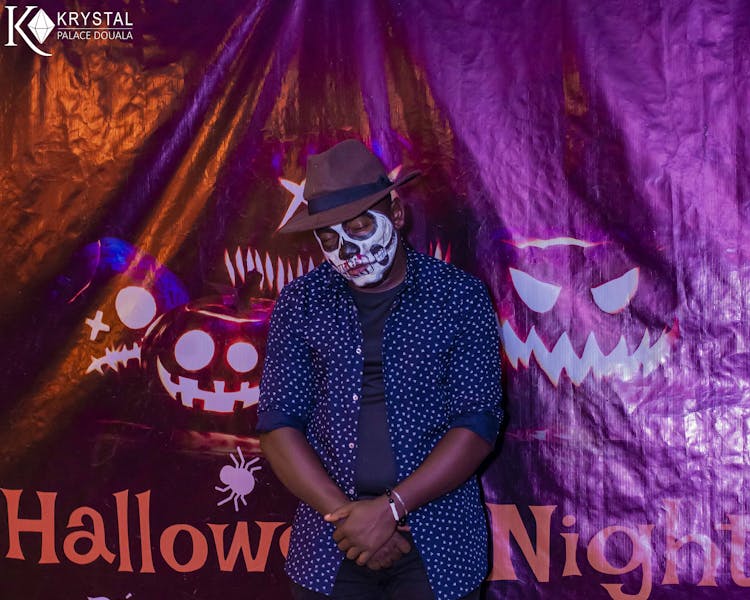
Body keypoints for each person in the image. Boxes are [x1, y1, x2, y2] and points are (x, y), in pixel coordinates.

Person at [257, 139, 503, 600]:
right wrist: (352, 520)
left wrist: (389, 510)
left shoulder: (459, 297)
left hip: (440, 540)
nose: (348, 249)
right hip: (331, 541)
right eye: (330, 239)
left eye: (359, 227)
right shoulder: (301, 302)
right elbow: (277, 423)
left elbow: (477, 423)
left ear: (397, 213)